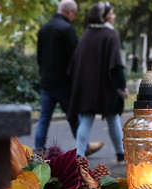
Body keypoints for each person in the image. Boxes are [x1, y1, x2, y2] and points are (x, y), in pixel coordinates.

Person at [35, 0, 104, 155]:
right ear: (69, 11)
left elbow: (39, 57)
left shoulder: (43, 29)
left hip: (47, 82)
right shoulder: (67, 29)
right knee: (73, 116)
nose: (74, 16)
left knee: (44, 118)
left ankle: (39, 150)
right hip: (65, 83)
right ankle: (84, 146)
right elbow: (76, 58)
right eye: (75, 13)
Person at [68, 2, 128, 161]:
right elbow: (116, 65)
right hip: (107, 87)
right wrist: (122, 86)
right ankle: (121, 153)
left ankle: (80, 154)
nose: (114, 16)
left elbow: (76, 62)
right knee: (113, 119)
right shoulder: (111, 35)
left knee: (86, 119)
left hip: (87, 87)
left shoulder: (87, 34)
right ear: (105, 16)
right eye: (112, 14)